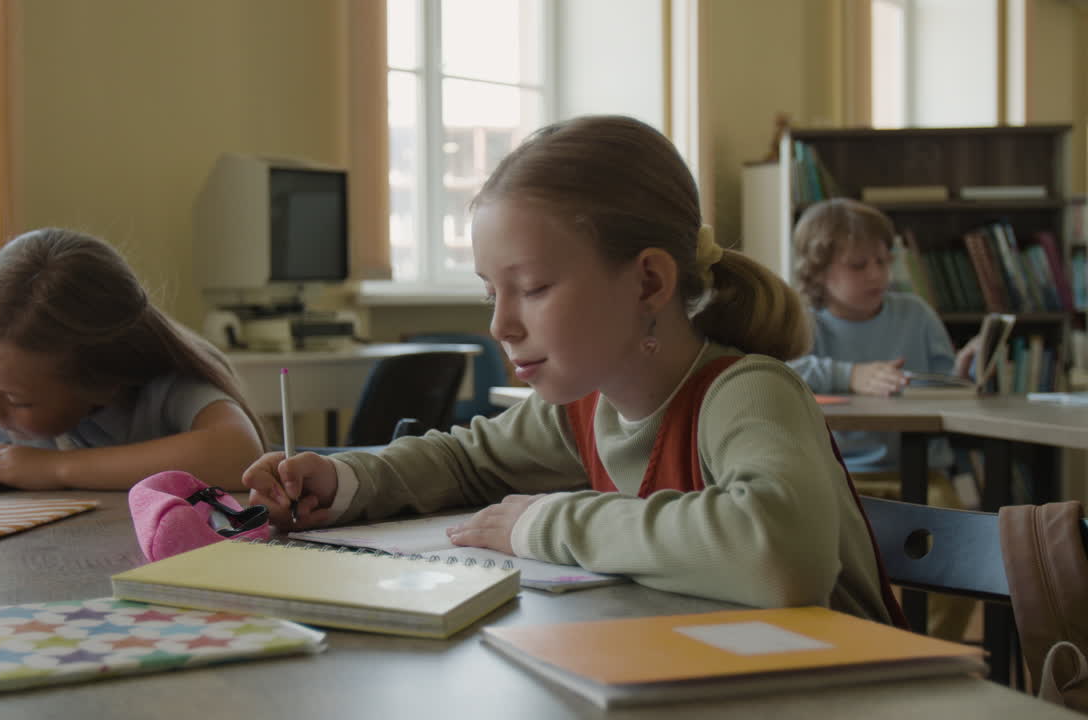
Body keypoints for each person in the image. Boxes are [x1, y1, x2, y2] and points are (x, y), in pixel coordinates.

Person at [244, 115, 902, 624]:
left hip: (855, 695)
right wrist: (345, 479)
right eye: (489, 293)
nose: (501, 325)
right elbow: (468, 462)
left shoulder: (746, 392)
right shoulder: (586, 403)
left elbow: (782, 557)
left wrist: (545, 523)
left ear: (648, 281)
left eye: (531, 289)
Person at [0, 228, 266, 491]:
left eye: (19, 400)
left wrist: (56, 468)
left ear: (102, 381)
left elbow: (237, 452)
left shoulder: (164, 389)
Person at [786, 198, 973, 639]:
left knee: (964, 551)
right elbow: (778, 367)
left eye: (884, 261)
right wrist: (847, 374)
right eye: (858, 265)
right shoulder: (803, 319)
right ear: (818, 271)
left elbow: (939, 382)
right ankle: (854, 650)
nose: (877, 274)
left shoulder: (916, 314)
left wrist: (959, 380)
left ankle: (929, 654)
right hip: (835, 477)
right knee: (814, 560)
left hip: (921, 475)